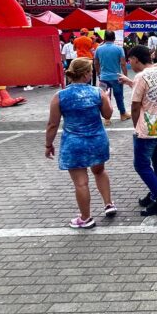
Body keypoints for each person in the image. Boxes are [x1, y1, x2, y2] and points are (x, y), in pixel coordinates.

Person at [45, 58, 116, 229]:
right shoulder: (98, 92)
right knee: (100, 171)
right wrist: (107, 100)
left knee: (81, 182)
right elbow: (107, 115)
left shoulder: (59, 96)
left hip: (74, 143)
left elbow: (53, 124)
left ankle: (86, 218)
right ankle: (108, 204)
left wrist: (48, 144)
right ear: (85, 74)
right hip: (97, 140)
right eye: (90, 71)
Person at [126, 45, 157, 216]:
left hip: (148, 127)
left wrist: (135, 125)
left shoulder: (141, 77)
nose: (129, 63)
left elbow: (135, 106)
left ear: (136, 59)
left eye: (130, 59)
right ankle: (155, 194)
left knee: (141, 164)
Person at [94, 31, 130, 122]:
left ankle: (107, 118)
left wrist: (98, 73)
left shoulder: (99, 49)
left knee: (105, 98)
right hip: (116, 77)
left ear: (104, 38)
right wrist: (125, 76)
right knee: (119, 97)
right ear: (114, 38)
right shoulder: (119, 49)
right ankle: (123, 114)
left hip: (103, 78)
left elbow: (96, 63)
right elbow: (123, 64)